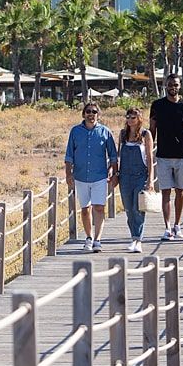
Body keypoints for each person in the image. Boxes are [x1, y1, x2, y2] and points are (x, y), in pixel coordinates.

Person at [149, 74, 183, 240]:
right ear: (166, 86)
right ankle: (167, 227)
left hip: (182, 155)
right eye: (170, 84)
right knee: (165, 191)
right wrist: (148, 151)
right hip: (163, 155)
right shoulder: (157, 105)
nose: (173, 87)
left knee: (180, 191)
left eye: (176, 85)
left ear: (180, 86)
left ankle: (177, 225)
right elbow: (152, 129)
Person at [64, 102, 118, 253]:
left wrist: (114, 172)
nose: (91, 114)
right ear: (84, 114)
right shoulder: (75, 131)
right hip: (81, 176)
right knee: (85, 209)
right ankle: (88, 237)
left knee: (99, 208)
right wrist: (68, 174)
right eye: (88, 111)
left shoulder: (105, 132)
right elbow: (69, 155)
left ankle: (97, 240)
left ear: (98, 115)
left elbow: (113, 156)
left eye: (94, 112)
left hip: (99, 176)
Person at [114, 107, 154, 253]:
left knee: (138, 209)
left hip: (140, 176)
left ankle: (138, 239)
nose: (130, 120)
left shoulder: (145, 134)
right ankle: (133, 237)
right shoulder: (123, 134)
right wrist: (115, 174)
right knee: (129, 209)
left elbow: (150, 158)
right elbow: (118, 156)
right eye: (128, 117)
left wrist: (150, 179)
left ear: (139, 119)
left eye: (133, 117)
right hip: (124, 177)